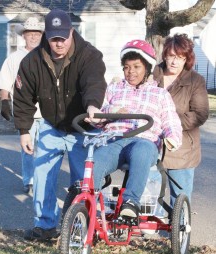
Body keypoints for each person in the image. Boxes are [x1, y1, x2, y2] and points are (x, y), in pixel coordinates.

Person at [13, 9, 107, 241]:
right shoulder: (32, 61)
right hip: (51, 126)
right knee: (42, 175)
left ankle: (85, 228)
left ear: (71, 32)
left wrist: (93, 105)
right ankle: (45, 227)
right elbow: (23, 97)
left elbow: (93, 82)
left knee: (83, 181)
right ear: (47, 35)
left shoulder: (89, 55)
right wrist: (24, 130)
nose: (59, 43)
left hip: (82, 126)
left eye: (63, 37)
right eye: (54, 38)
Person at [92, 39, 182, 218]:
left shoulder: (160, 94)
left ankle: (131, 201)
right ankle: (87, 201)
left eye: (136, 66)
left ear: (147, 68)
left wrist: (172, 137)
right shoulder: (115, 88)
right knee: (96, 159)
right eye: (126, 67)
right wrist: (112, 111)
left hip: (144, 140)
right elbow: (98, 117)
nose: (130, 71)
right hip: (115, 139)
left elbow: (171, 120)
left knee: (142, 150)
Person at [153, 33, 209, 207]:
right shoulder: (152, 74)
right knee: (151, 196)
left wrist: (169, 123)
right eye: (171, 56)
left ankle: (180, 231)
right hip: (151, 145)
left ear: (187, 59)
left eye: (180, 57)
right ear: (165, 55)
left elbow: (200, 113)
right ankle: (151, 232)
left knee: (180, 200)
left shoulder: (195, 81)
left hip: (183, 149)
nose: (174, 62)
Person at [0, 17, 44, 193]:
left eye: (37, 33)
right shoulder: (14, 58)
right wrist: (4, 101)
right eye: (30, 33)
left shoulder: (47, 55)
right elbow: (5, 82)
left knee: (48, 149)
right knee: (28, 149)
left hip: (47, 112)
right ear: (24, 35)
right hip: (26, 113)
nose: (33, 37)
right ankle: (29, 181)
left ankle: (44, 180)